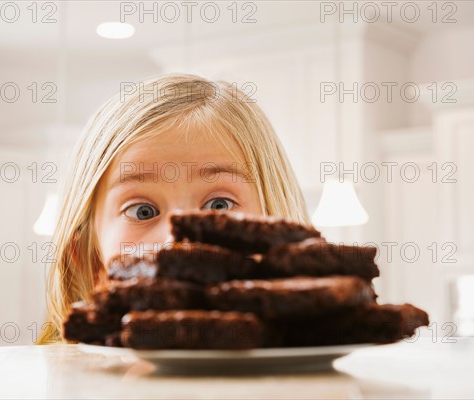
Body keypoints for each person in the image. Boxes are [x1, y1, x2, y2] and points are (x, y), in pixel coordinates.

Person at [38, 73, 309, 344]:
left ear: (277, 236)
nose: (178, 241)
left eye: (218, 206)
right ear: (90, 262)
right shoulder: (68, 384)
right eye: (142, 211)